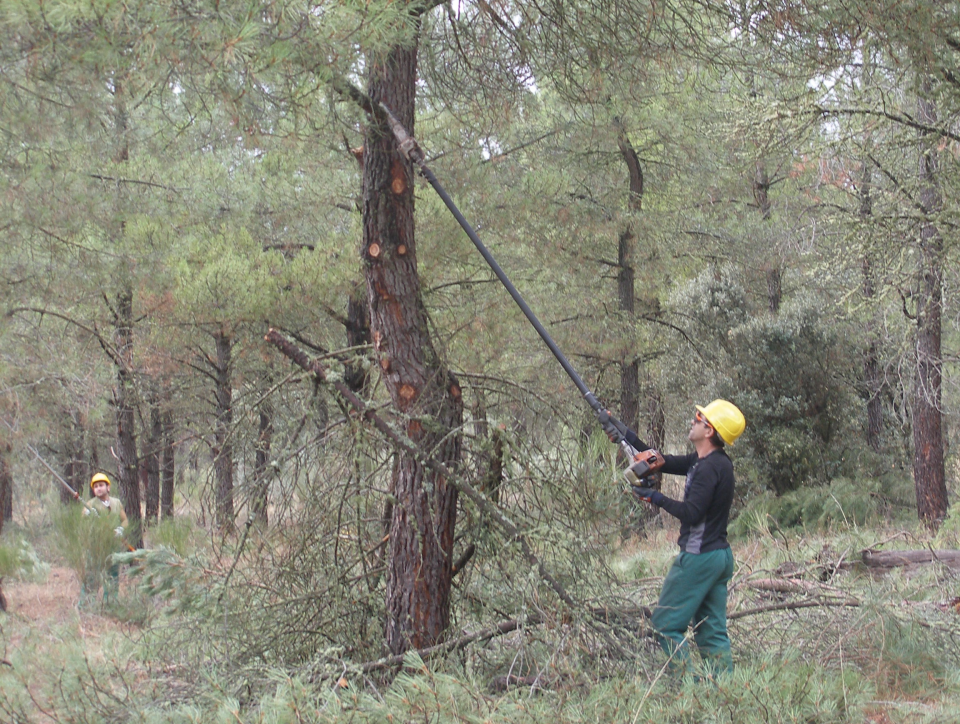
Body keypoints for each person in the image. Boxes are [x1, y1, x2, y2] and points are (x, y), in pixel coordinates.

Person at [612, 399, 745, 677]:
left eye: (699, 418)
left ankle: (689, 690)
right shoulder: (710, 461)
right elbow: (660, 460)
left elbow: (692, 514)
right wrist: (625, 434)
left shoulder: (708, 469)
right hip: (719, 557)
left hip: (698, 558)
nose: (693, 420)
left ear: (709, 431)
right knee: (711, 631)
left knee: (664, 624)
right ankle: (724, 693)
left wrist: (654, 497)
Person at [80, 472, 129, 607]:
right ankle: (86, 604)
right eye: (95, 487)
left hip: (113, 546)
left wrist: (120, 529)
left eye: (101, 485)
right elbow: (82, 517)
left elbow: (125, 521)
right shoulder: (90, 504)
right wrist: (88, 513)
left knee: (113, 575)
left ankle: (111, 603)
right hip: (95, 546)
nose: (98, 488)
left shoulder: (117, 503)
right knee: (92, 576)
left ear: (108, 487)